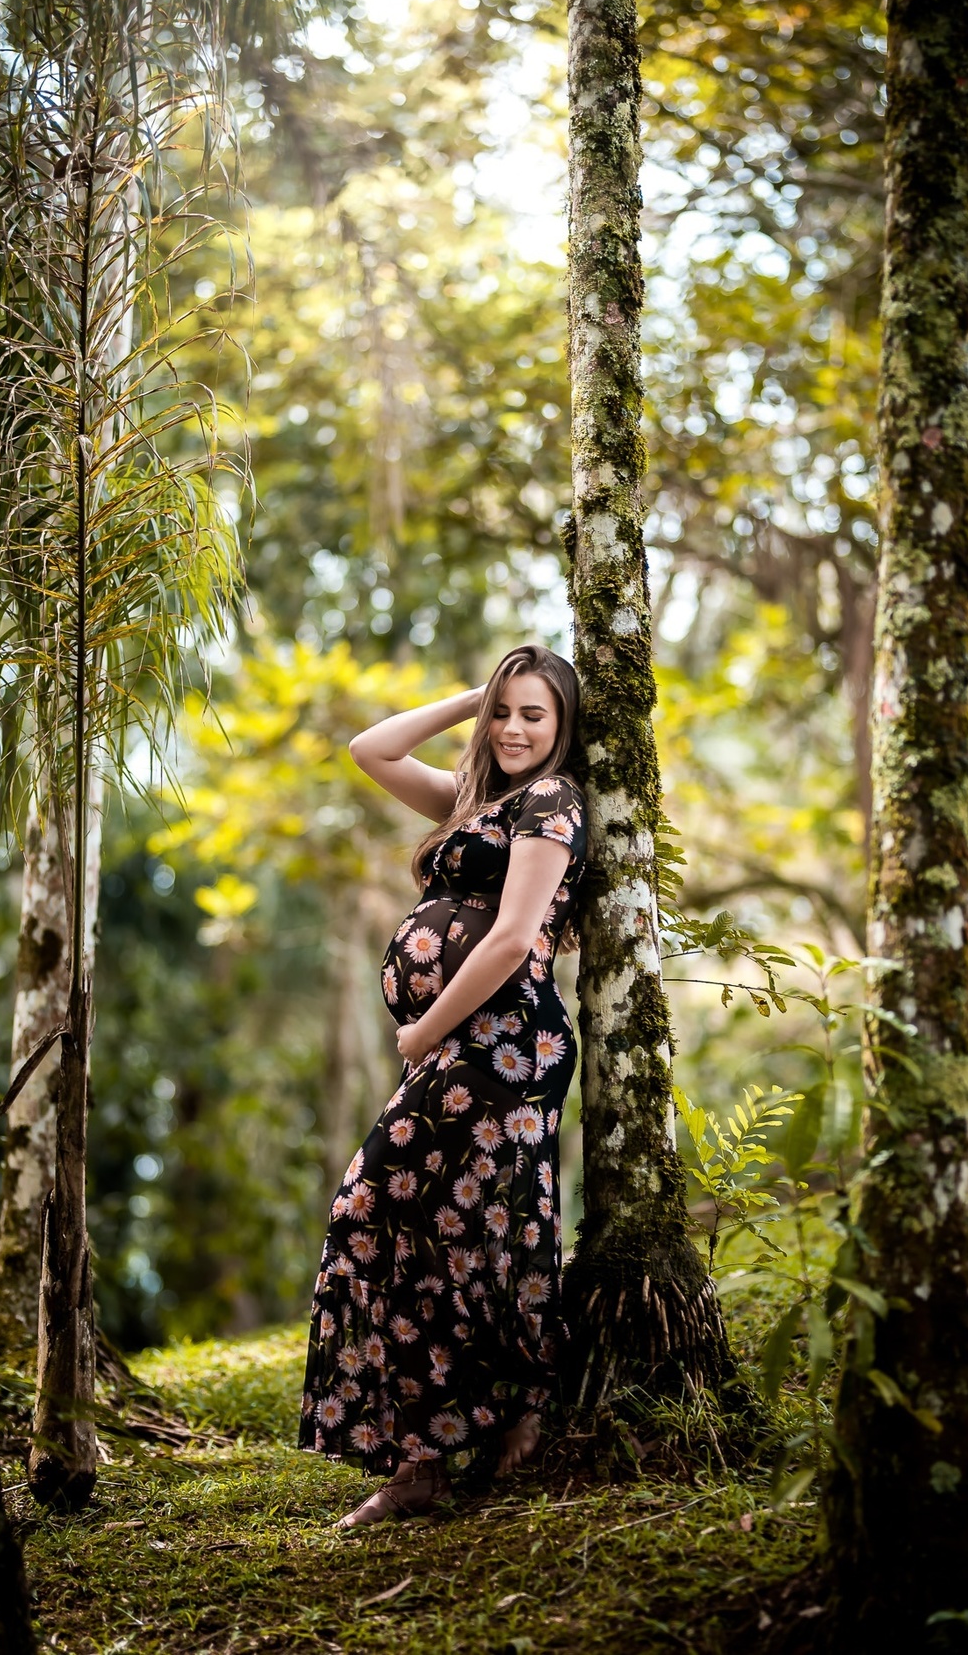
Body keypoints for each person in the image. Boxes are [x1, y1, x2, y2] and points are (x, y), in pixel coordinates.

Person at [299, 643, 587, 1526]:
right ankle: (421, 1462)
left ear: (564, 725)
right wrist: (480, 696)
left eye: (534, 714)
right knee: (432, 1227)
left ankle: (523, 1411)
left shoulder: (552, 801)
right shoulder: (481, 802)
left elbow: (510, 939)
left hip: (500, 1045)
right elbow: (370, 750)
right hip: (460, 1052)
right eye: (504, 712)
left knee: (427, 1215)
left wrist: (426, 1028)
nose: (511, 729)